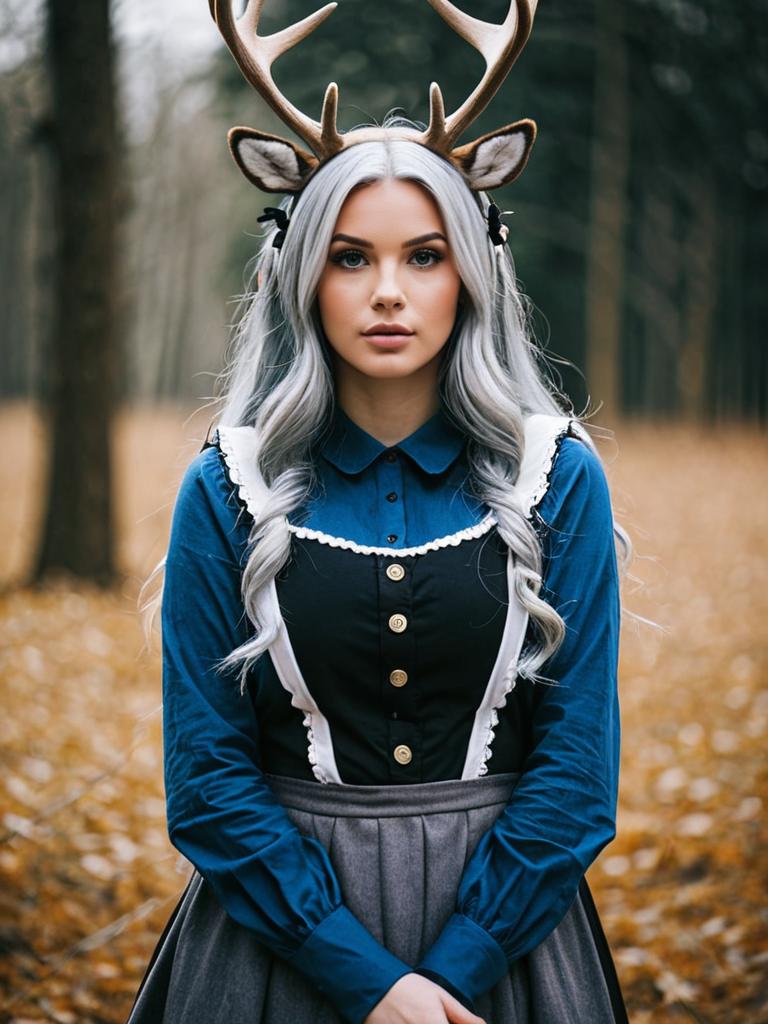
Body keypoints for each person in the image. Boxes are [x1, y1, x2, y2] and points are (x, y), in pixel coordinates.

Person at [127, 2, 631, 1022]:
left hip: (511, 951)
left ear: (474, 271)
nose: (388, 291)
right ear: (302, 273)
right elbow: (208, 780)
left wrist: (452, 972)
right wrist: (369, 982)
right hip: (273, 952)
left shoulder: (558, 477)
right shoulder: (225, 486)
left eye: (425, 256)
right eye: (351, 257)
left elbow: (575, 775)